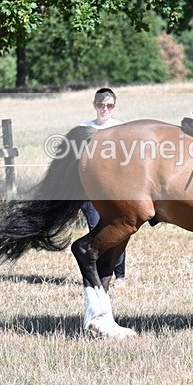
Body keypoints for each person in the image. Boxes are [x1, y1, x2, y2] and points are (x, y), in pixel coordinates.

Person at [79, 88, 128, 289]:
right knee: (96, 230)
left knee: (119, 231)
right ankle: (96, 274)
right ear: (94, 105)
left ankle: (120, 275)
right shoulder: (84, 129)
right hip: (90, 189)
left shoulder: (121, 128)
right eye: (101, 104)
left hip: (115, 189)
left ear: (114, 106)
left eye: (109, 105)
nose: (104, 108)